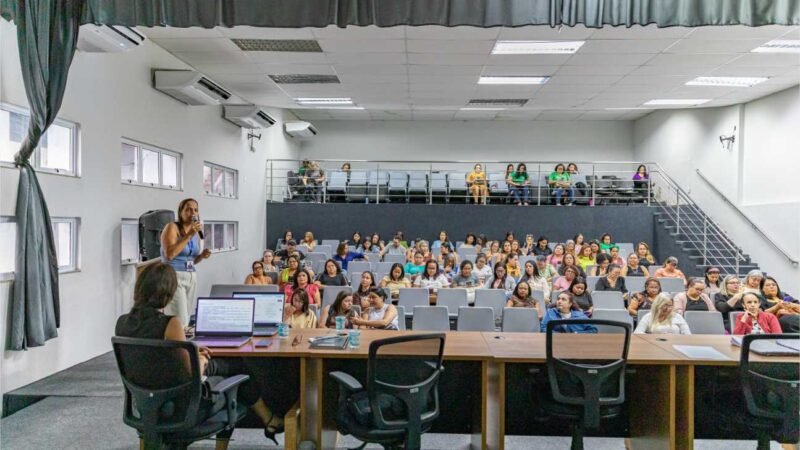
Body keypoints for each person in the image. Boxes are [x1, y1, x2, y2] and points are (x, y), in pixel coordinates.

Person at [115, 263, 282, 445]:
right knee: (237, 373)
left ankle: (269, 419)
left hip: (146, 407)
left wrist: (191, 351)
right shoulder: (171, 324)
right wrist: (200, 358)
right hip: (186, 407)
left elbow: (155, 359)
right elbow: (191, 374)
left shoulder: (122, 323)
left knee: (227, 366)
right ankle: (269, 419)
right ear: (167, 292)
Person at [160, 198, 212, 325]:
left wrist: (202, 256)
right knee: (178, 320)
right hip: (174, 275)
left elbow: (192, 260)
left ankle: (181, 343)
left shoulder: (194, 233)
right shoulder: (172, 227)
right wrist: (189, 234)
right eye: (188, 209)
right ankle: (176, 344)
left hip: (190, 275)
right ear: (181, 212)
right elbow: (170, 254)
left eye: (195, 210)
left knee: (186, 318)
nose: (192, 213)